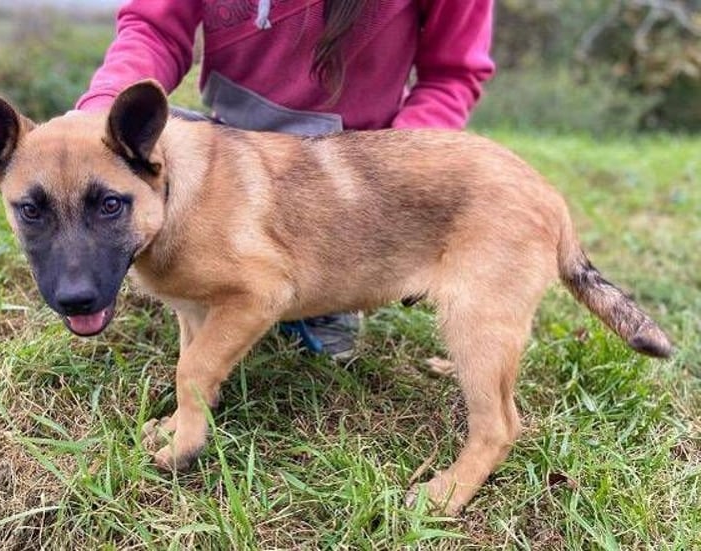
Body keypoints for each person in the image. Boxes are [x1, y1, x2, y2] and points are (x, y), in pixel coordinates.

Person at [77, 0, 495, 358]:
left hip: (344, 174)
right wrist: (99, 117)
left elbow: (451, 76)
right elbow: (155, 29)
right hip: (231, 146)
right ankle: (199, 273)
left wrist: (399, 181)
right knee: (161, 153)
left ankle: (326, 300)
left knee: (300, 287)